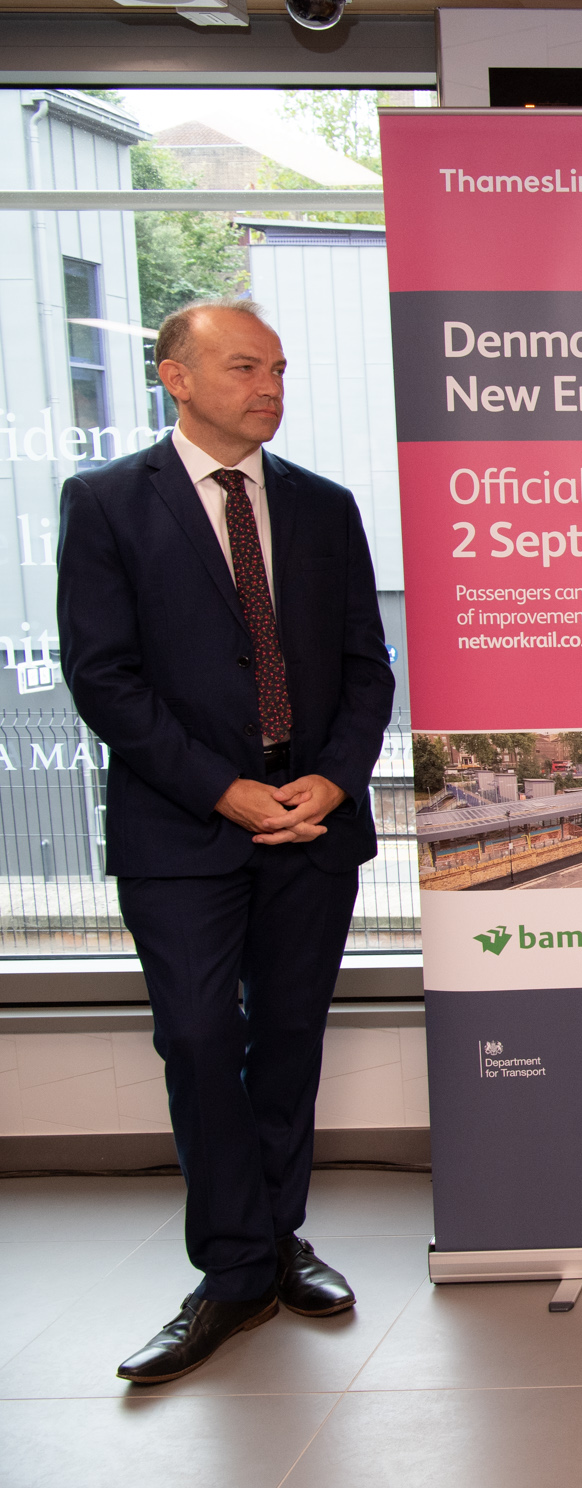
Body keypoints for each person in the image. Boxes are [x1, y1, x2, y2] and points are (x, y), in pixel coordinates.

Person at [57, 300, 396, 1384]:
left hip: (314, 819)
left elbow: (367, 666)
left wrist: (335, 776)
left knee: (290, 1038)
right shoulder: (107, 503)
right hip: (182, 828)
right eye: (246, 367)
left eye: (280, 369)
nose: (270, 388)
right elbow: (103, 678)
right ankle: (232, 1269)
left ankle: (276, 1242)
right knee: (202, 1038)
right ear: (176, 376)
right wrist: (225, 791)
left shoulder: (322, 507)